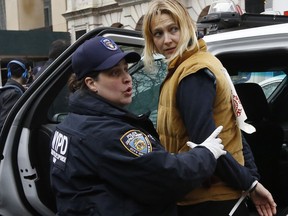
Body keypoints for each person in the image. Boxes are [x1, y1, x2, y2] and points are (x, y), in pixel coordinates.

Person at [49, 36, 227, 216]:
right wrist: (206, 154)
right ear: (91, 83)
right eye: (114, 73)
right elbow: (167, 178)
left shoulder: (71, 123)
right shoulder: (106, 132)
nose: (127, 79)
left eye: (126, 70)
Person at [142, 0, 277, 216]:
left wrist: (251, 184)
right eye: (158, 34)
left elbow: (207, 145)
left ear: (186, 27)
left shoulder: (194, 72)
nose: (167, 40)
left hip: (209, 200)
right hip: (208, 196)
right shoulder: (194, 65)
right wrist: (250, 180)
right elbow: (234, 128)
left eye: (173, 29)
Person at [0, 59, 28, 131]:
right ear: (25, 73)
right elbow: (5, 124)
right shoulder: (15, 93)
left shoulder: (8, 90)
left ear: (9, 73)